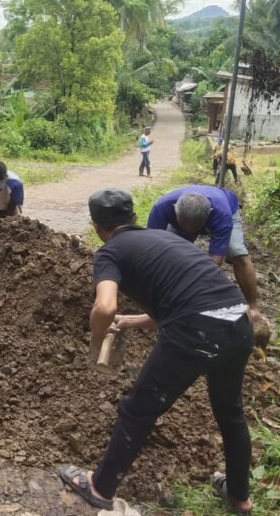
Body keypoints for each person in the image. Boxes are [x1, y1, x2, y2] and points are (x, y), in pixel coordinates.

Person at [58, 188, 253, 516]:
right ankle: (239, 497)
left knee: (137, 411)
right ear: (134, 217)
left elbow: (105, 306)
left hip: (197, 330)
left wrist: (95, 340)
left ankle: (99, 487)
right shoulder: (167, 241)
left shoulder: (110, 252)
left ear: (95, 225)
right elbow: (190, 295)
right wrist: (133, 322)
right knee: (230, 412)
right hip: (238, 320)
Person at [146, 185, 262, 332]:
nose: (190, 232)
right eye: (185, 226)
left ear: (209, 215)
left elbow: (214, 264)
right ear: (175, 209)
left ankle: (253, 306)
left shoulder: (221, 213)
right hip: (181, 221)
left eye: (194, 228)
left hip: (225, 209)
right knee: (169, 253)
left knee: (237, 252)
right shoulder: (162, 207)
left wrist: (193, 294)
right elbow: (151, 247)